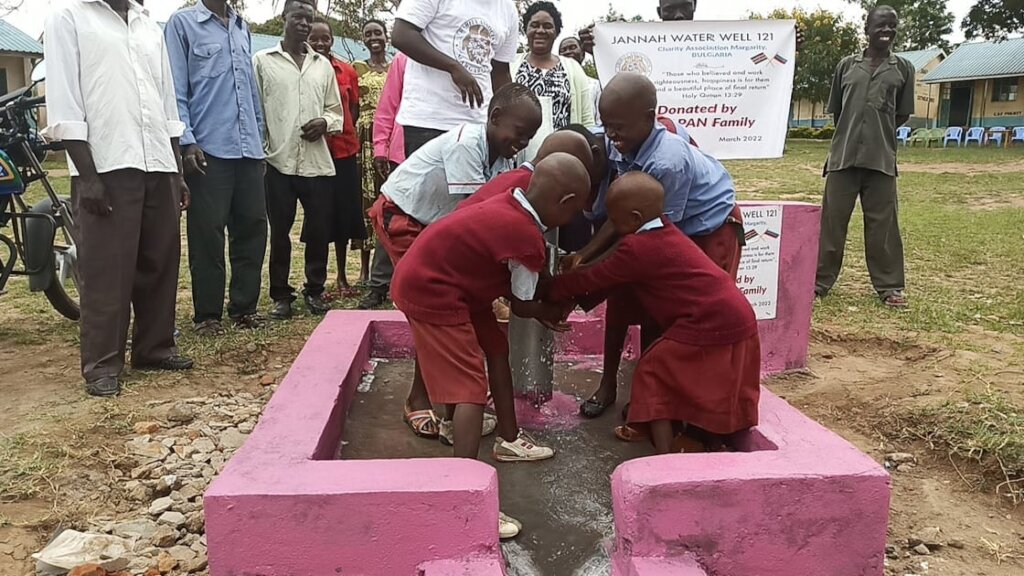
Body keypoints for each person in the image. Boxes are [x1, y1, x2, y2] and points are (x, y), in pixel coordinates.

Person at [391, 153, 590, 537]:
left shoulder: (513, 193)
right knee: (469, 390)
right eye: (578, 209)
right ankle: (464, 500)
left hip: (452, 280)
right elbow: (522, 303)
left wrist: (546, 299)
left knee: (496, 347)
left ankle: (509, 440)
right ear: (566, 204)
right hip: (434, 290)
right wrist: (555, 307)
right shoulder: (525, 237)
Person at [369, 83, 542, 439]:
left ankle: (449, 400)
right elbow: (475, 215)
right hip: (405, 217)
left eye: (530, 137)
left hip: (436, 225)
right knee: (434, 308)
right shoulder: (467, 145)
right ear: (494, 118)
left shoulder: (504, 154)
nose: (522, 143)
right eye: (519, 133)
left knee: (450, 307)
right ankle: (421, 399)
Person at [568, 73, 743, 422]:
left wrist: (582, 281)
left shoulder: (667, 161)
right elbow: (621, 216)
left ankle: (661, 400)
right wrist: (584, 256)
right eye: (607, 126)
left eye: (619, 127)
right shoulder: (616, 143)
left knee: (664, 312)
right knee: (620, 303)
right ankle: (609, 385)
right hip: (649, 228)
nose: (611, 135)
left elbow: (654, 239)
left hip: (707, 230)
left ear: (649, 117)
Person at [544, 173, 760, 454]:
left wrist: (546, 288)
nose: (611, 223)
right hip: (732, 314)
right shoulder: (663, 230)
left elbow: (594, 279)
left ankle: (665, 452)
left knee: (653, 369)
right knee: (681, 374)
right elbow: (609, 278)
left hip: (709, 320)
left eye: (614, 216)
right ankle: (674, 433)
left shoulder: (638, 247)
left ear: (634, 218)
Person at [44, 0, 193, 397]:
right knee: (107, 269)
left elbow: (167, 100)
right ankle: (102, 363)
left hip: (158, 160)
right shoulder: (69, 17)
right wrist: (87, 175)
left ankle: (154, 348)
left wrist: (176, 170)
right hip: (106, 163)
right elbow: (65, 100)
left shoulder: (148, 26)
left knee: (159, 260)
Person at [164, 0, 268, 337]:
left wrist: (259, 139)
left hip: (248, 149)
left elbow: (250, 92)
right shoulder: (182, 24)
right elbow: (175, 89)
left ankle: (244, 308)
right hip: (207, 149)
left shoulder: (242, 26)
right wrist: (186, 140)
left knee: (252, 228)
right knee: (207, 233)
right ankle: (207, 315)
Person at [253, 0, 344, 320]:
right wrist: (262, 149)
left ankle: (315, 290)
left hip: (317, 164)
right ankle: (280, 295)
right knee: (279, 232)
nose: (304, 24)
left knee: (318, 231)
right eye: (298, 18)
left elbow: (336, 113)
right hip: (277, 161)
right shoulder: (263, 61)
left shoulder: (322, 65)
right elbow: (256, 111)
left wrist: (324, 123)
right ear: (284, 18)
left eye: (309, 19)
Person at [816, 5, 912, 309]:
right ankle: (818, 282)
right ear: (867, 28)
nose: (887, 31)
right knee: (831, 224)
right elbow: (838, 111)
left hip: (881, 160)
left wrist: (875, 132)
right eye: (881, 25)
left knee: (884, 227)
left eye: (892, 26)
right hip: (843, 159)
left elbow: (902, 114)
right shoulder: (846, 66)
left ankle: (890, 287)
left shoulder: (903, 69)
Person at [391, 0, 519, 152]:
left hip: (477, 126)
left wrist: (510, 119)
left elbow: (501, 72)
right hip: (428, 123)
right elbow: (401, 35)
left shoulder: (508, 8)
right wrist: (453, 67)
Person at [308, 18, 367, 300]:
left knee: (343, 214)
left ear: (332, 40)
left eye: (325, 39)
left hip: (343, 151)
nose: (320, 43)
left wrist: (341, 130)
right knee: (319, 216)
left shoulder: (346, 71)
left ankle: (342, 277)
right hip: (314, 153)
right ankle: (316, 281)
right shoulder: (302, 70)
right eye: (314, 38)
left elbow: (352, 108)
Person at [356, 20, 398, 310]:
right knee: (382, 209)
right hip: (382, 143)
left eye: (378, 33)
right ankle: (376, 282)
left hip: (413, 140)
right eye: (368, 33)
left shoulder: (400, 64)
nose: (374, 38)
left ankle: (403, 280)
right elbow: (372, 109)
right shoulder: (358, 68)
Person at [512, 3, 595, 130]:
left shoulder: (573, 68)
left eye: (547, 26)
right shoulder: (511, 65)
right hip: (519, 147)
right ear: (526, 29)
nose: (540, 30)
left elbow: (587, 120)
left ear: (556, 32)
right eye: (534, 25)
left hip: (563, 147)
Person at [558, 36, 602, 127]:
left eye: (573, 47)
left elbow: (599, 121)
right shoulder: (554, 84)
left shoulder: (596, 85)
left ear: (583, 54)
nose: (568, 52)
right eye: (563, 50)